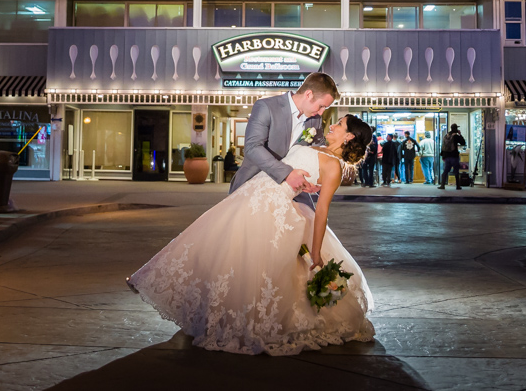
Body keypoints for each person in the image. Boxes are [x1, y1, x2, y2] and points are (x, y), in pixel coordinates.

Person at [128, 114, 376, 356]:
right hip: (252, 194)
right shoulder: (318, 146)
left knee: (253, 263)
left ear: (349, 136)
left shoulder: (333, 166)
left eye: (339, 124)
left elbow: (321, 212)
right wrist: (303, 181)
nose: (332, 125)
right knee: (211, 241)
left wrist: (316, 250)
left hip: (272, 207)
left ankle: (252, 324)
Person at [229, 72, 339, 209]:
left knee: (307, 222)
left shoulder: (315, 119)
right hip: (254, 183)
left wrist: (314, 179)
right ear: (308, 94)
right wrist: (287, 174)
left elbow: (317, 149)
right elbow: (253, 147)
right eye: (321, 106)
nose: (322, 112)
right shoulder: (266, 107)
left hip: (293, 192)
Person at [439, 124, 467, 190]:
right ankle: (458, 186)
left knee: (446, 171)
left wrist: (443, 156)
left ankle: (442, 185)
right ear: (456, 129)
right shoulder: (456, 136)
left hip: (447, 156)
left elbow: (443, 145)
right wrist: (460, 134)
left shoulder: (447, 135)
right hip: (454, 156)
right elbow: (463, 143)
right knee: (456, 171)